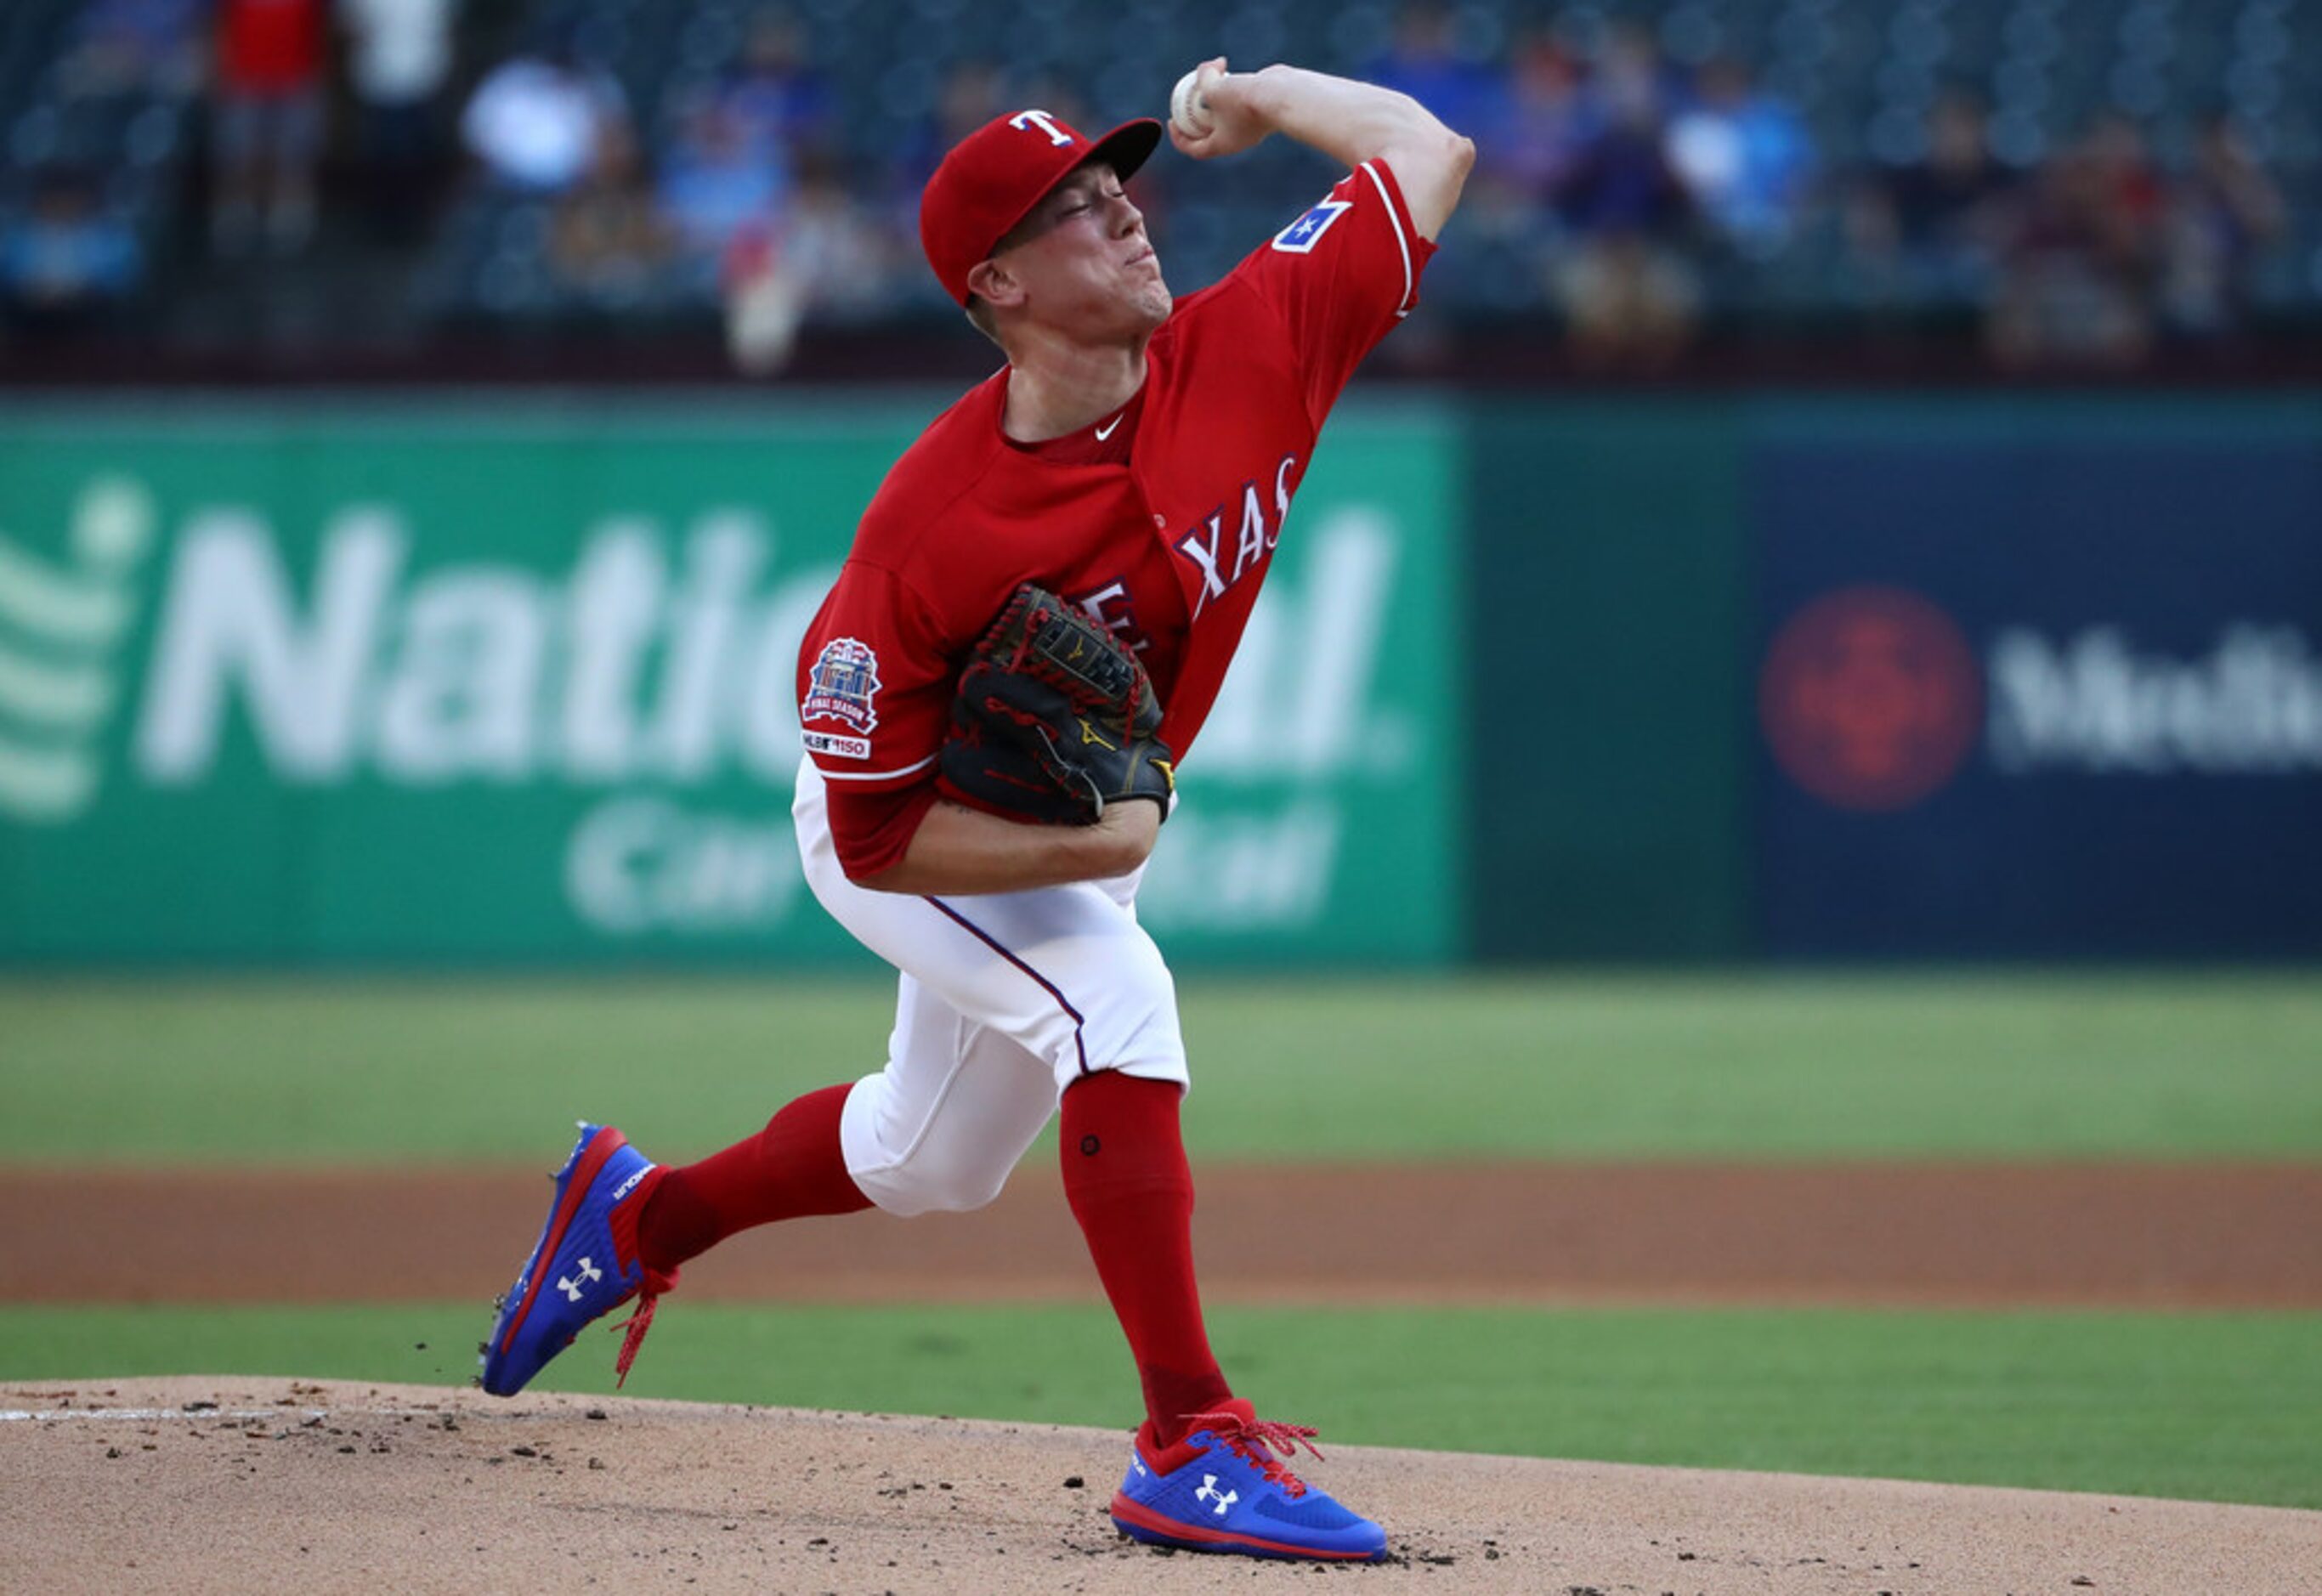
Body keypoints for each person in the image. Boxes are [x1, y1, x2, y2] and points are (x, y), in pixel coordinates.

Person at [479, 57, 1473, 1565]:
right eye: (1078, 211)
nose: (1130, 215)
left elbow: (1427, 146)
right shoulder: (924, 542)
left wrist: (1258, 92)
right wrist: (1098, 849)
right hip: (909, 824)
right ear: (998, 282)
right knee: (1115, 1001)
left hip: (1053, 825)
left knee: (928, 1158)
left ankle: (636, 1215)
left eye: (1118, 186)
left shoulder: (1261, 331)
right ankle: (1188, 1440)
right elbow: (875, 840)